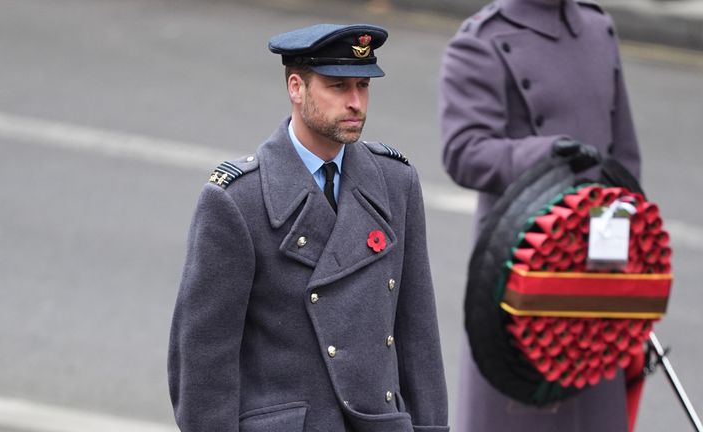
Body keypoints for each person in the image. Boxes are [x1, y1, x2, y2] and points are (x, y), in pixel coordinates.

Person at [169, 23, 450, 431]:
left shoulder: (395, 182)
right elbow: (202, 362)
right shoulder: (237, 201)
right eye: (338, 87)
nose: (356, 102)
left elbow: (418, 333)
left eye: (363, 86)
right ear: (296, 88)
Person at [439, 0, 641, 431]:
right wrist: (545, 153)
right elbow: (463, 151)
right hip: (520, 271)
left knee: (594, 414)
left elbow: (622, 154)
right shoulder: (481, 40)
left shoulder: (597, 27)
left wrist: (627, 251)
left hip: (597, 266)